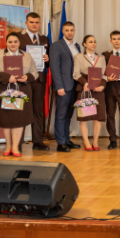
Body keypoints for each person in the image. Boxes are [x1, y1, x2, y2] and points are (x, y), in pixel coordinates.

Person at [0, 32, 38, 157]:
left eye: (15, 41)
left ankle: (15, 146)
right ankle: (8, 146)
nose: (13, 44)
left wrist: (27, 77)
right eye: (10, 42)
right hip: (3, 91)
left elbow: (35, 72)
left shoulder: (27, 55)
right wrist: (7, 77)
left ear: (19, 43)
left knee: (19, 120)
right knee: (6, 120)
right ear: (6, 43)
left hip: (22, 91)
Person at [17, 12, 51, 151]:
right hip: (23, 79)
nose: (34, 25)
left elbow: (48, 61)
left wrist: (47, 60)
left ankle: (37, 141)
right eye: (31, 22)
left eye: (37, 22)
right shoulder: (18, 37)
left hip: (39, 79)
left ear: (40, 23)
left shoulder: (44, 39)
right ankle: (17, 142)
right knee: (22, 110)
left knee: (37, 110)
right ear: (26, 23)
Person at [49, 21, 82, 153]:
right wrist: (59, 86)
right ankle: (60, 142)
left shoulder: (77, 46)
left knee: (69, 115)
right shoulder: (56, 46)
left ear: (74, 31)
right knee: (61, 115)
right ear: (63, 31)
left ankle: (67, 140)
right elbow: (55, 68)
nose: (69, 32)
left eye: (71, 30)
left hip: (75, 85)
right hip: (63, 86)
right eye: (67, 30)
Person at [72, 35, 107, 151]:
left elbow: (104, 75)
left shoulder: (101, 58)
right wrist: (84, 83)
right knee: (84, 118)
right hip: (85, 89)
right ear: (84, 44)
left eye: (95, 41)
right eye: (90, 42)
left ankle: (95, 141)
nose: (93, 43)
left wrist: (102, 86)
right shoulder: (78, 57)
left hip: (98, 90)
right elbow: (76, 74)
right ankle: (86, 142)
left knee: (98, 117)